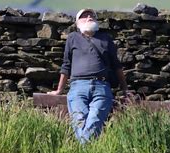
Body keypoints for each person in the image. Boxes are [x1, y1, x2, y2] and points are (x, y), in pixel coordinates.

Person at [48, 8, 130, 144]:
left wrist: (125, 89)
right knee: (79, 120)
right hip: (77, 87)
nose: (89, 18)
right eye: (84, 16)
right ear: (77, 23)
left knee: (94, 121)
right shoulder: (73, 38)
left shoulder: (105, 39)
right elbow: (66, 65)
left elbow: (117, 66)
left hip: (101, 87)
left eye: (91, 16)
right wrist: (59, 90)